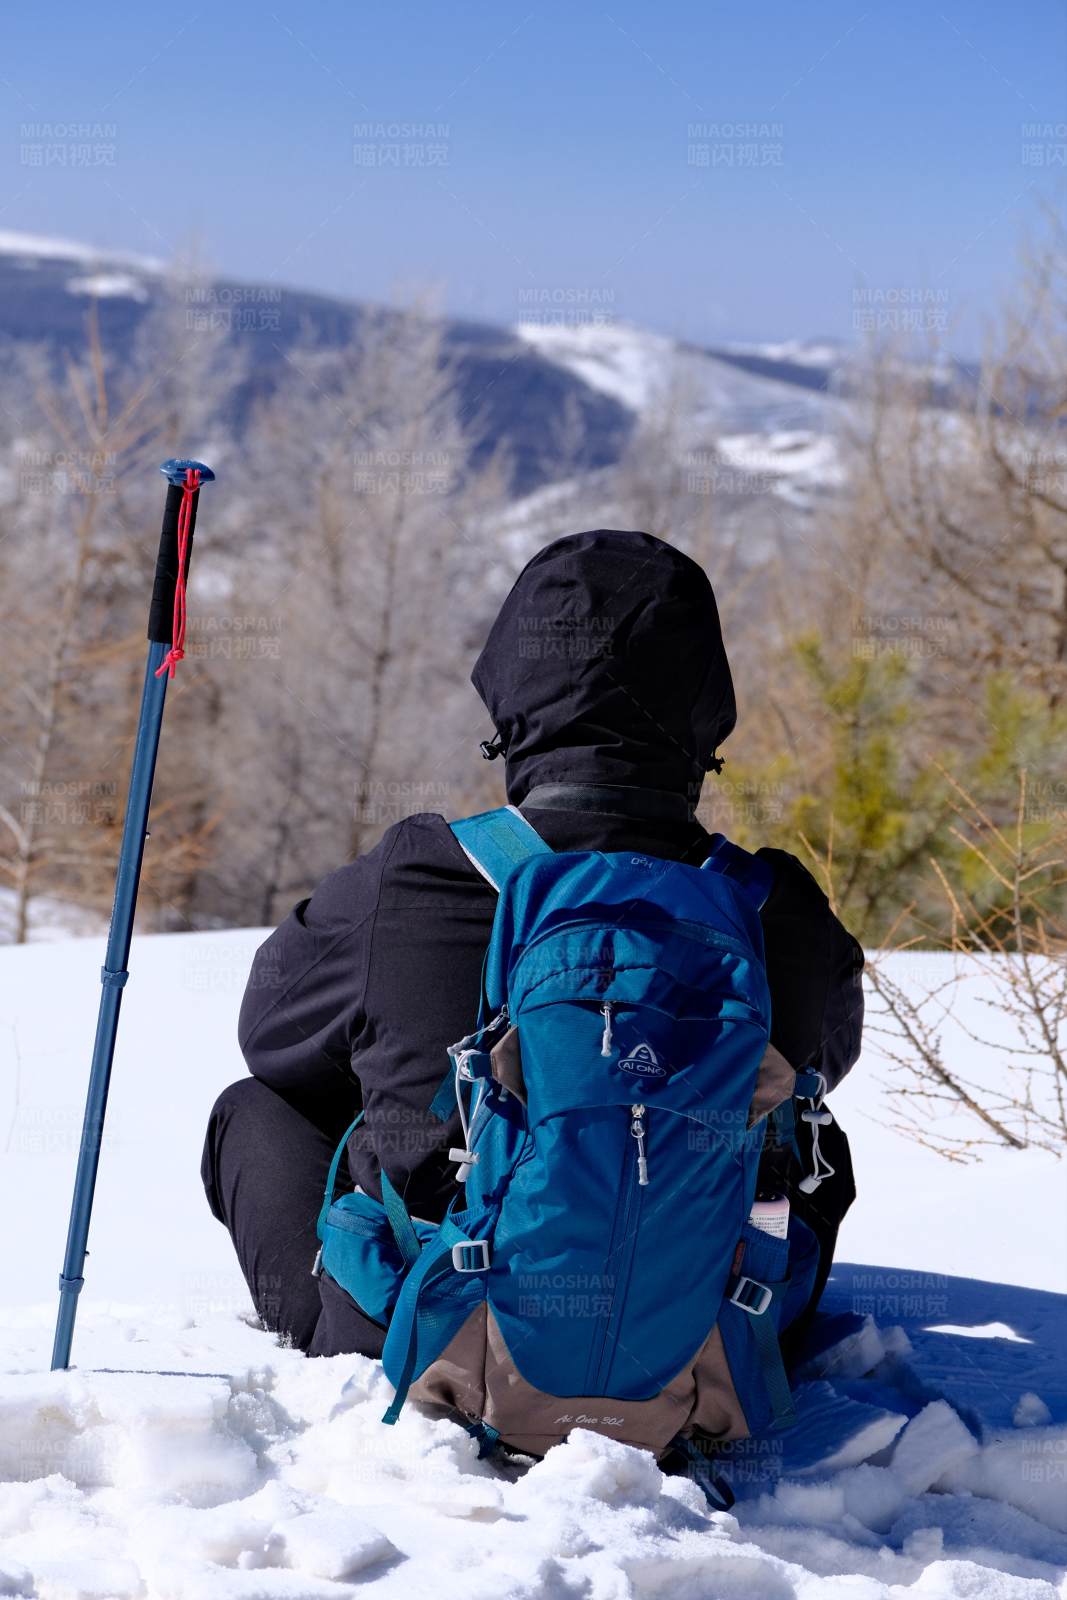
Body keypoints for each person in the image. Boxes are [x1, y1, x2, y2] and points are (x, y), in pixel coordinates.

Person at [202, 529, 864, 1360]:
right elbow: (823, 1065)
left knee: (255, 1110)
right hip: (705, 1338)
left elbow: (272, 1041)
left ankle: (382, 1335)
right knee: (810, 1128)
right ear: (706, 709)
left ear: (510, 692)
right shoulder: (774, 904)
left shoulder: (417, 879)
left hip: (436, 1332)